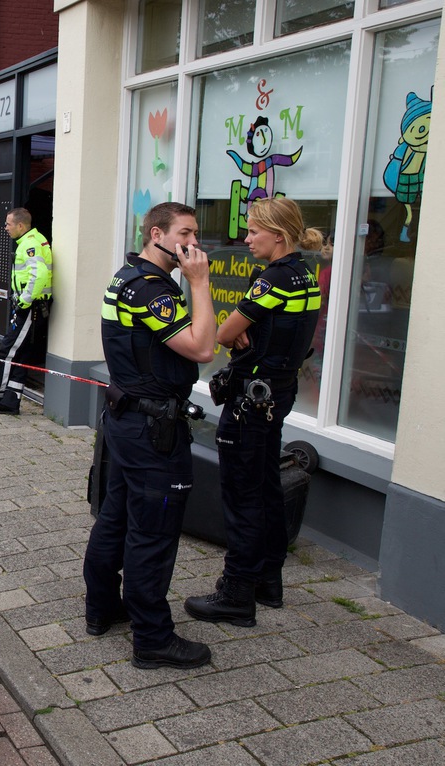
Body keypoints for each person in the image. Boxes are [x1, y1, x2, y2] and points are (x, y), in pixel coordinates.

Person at [83, 201, 215, 670]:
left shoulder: (127, 276)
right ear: (156, 234)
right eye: (185, 234)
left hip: (128, 420)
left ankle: (102, 608)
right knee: (152, 534)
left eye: (196, 234)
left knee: (116, 517)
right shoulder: (151, 288)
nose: (193, 244)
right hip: (152, 431)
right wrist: (199, 283)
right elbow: (201, 347)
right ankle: (153, 639)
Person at [184, 197, 322, 627]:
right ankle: (267, 582)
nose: (246, 239)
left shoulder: (274, 278)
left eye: (253, 232)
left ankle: (236, 595)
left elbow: (224, 332)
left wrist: (237, 331)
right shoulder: (305, 274)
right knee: (265, 489)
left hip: (251, 403)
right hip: (277, 396)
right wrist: (246, 331)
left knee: (243, 497)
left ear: (278, 236)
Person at [0, 207, 53, 415]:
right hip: (31, 308)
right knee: (20, 354)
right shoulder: (29, 241)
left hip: (30, 309)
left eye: (8, 224)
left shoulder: (30, 244)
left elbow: (39, 275)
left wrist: (23, 301)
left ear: (21, 225)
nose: (6, 228)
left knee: (6, 351)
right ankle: (11, 402)